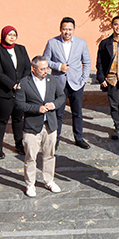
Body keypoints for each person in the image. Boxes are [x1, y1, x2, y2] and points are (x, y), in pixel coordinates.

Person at [15, 56, 66, 197]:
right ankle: (30, 184)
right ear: (34, 69)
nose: (46, 71)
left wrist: (54, 105)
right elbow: (19, 104)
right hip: (32, 126)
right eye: (42, 69)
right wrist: (37, 109)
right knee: (31, 156)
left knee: (49, 155)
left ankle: (49, 180)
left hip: (50, 124)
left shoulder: (52, 80)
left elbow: (61, 96)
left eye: (47, 68)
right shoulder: (24, 83)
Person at [43, 17, 92, 150]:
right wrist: (59, 67)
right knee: (58, 113)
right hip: (59, 83)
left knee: (77, 112)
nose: (67, 32)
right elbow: (46, 60)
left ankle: (79, 138)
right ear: (60, 29)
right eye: (65, 29)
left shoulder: (81, 43)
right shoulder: (52, 42)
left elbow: (87, 62)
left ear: (74, 30)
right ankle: (56, 138)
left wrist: (83, 79)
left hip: (76, 83)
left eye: (70, 29)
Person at [0, 26, 30, 158]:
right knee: (2, 119)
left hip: (20, 91)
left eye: (14, 35)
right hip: (4, 92)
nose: (12, 37)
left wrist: (22, 84)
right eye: (9, 35)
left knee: (18, 118)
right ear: (3, 35)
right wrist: (13, 85)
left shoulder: (21, 49)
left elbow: (27, 68)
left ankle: (19, 144)